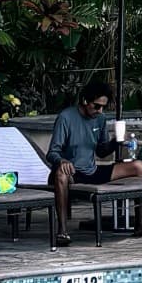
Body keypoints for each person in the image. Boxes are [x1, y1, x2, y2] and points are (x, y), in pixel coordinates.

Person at [45, 75, 114, 248]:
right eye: (96, 106)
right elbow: (52, 152)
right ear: (85, 100)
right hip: (72, 173)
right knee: (61, 173)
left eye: (103, 107)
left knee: (138, 167)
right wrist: (62, 161)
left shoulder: (100, 119)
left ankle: (141, 224)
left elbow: (102, 151)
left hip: (92, 171)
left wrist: (116, 142)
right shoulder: (66, 117)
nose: (99, 110)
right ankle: (62, 230)